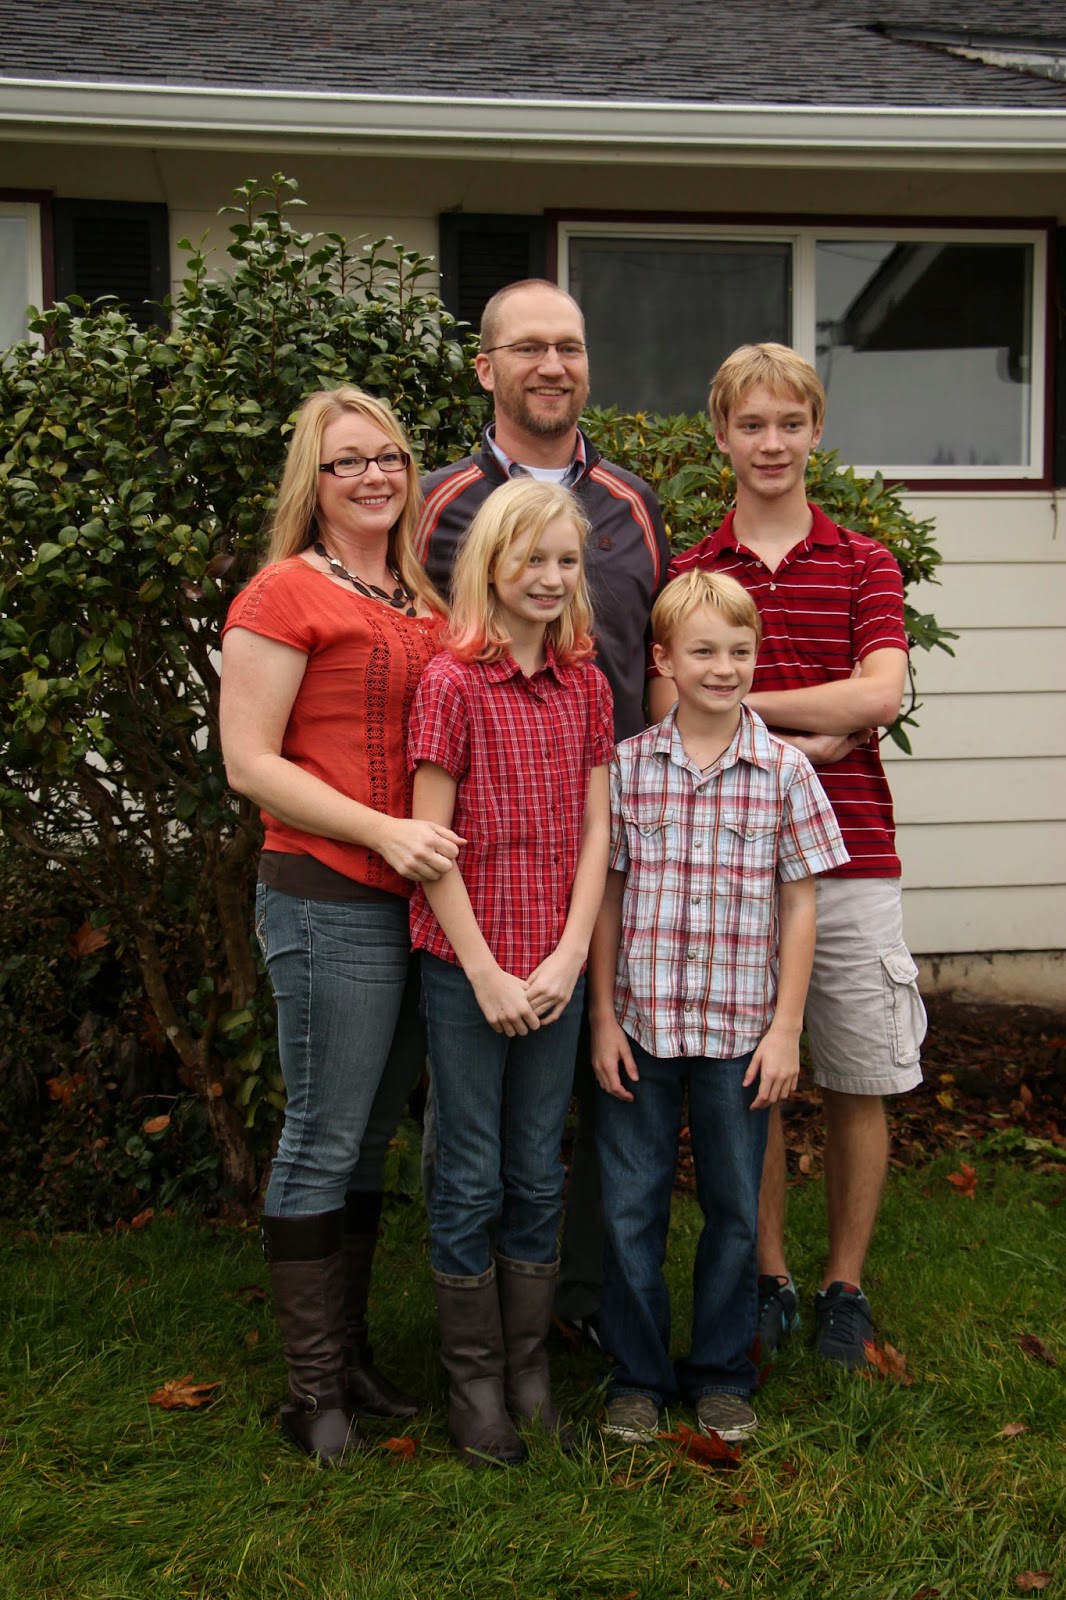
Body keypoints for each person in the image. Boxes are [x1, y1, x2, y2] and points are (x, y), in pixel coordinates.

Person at [649, 344, 927, 1370]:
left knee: (860, 1074)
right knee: (748, 1082)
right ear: (721, 435)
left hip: (852, 857)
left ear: (815, 432)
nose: (770, 442)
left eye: (789, 423)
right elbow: (658, 708)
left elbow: (876, 696)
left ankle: (841, 1287)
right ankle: (765, 1276)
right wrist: (793, 729)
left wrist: (734, 702)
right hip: (725, 867)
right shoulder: (691, 572)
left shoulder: (864, 562)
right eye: (750, 424)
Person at [414, 278, 670, 1341]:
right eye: (528, 348)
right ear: (488, 368)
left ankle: (582, 1311)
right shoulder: (437, 501)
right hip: (471, 855)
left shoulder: (632, 504)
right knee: (479, 1126)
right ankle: (488, 1343)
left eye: (568, 345)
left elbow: (657, 658)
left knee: (598, 1082)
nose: (552, 365)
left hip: (601, 839)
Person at [220, 386, 462, 1463]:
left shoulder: (422, 596)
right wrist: (383, 830)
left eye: (391, 457)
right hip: (326, 891)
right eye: (346, 462)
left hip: (416, 900)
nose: (373, 476)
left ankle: (353, 1359)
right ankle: (311, 1394)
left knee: (369, 1137)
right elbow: (250, 762)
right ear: (309, 486)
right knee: (322, 1132)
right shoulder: (281, 591)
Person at [591, 570, 849, 1442]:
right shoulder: (625, 770)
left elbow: (801, 902)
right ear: (663, 659)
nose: (724, 667)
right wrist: (599, 1019)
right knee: (631, 1209)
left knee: (737, 1212)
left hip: (741, 1035)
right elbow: (607, 897)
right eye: (703, 651)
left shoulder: (783, 771)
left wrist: (786, 1031)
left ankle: (720, 1373)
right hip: (641, 1028)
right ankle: (637, 1374)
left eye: (740, 652)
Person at [408, 477, 613, 1466]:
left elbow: (595, 831)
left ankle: (529, 1370)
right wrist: (485, 971)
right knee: (469, 1168)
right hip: (468, 967)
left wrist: (571, 954)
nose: (549, 575)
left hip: (553, 969)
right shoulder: (452, 681)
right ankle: (474, 1384)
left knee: (538, 1166)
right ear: (489, 564)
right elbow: (430, 839)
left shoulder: (585, 685)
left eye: (565, 560)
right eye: (530, 558)